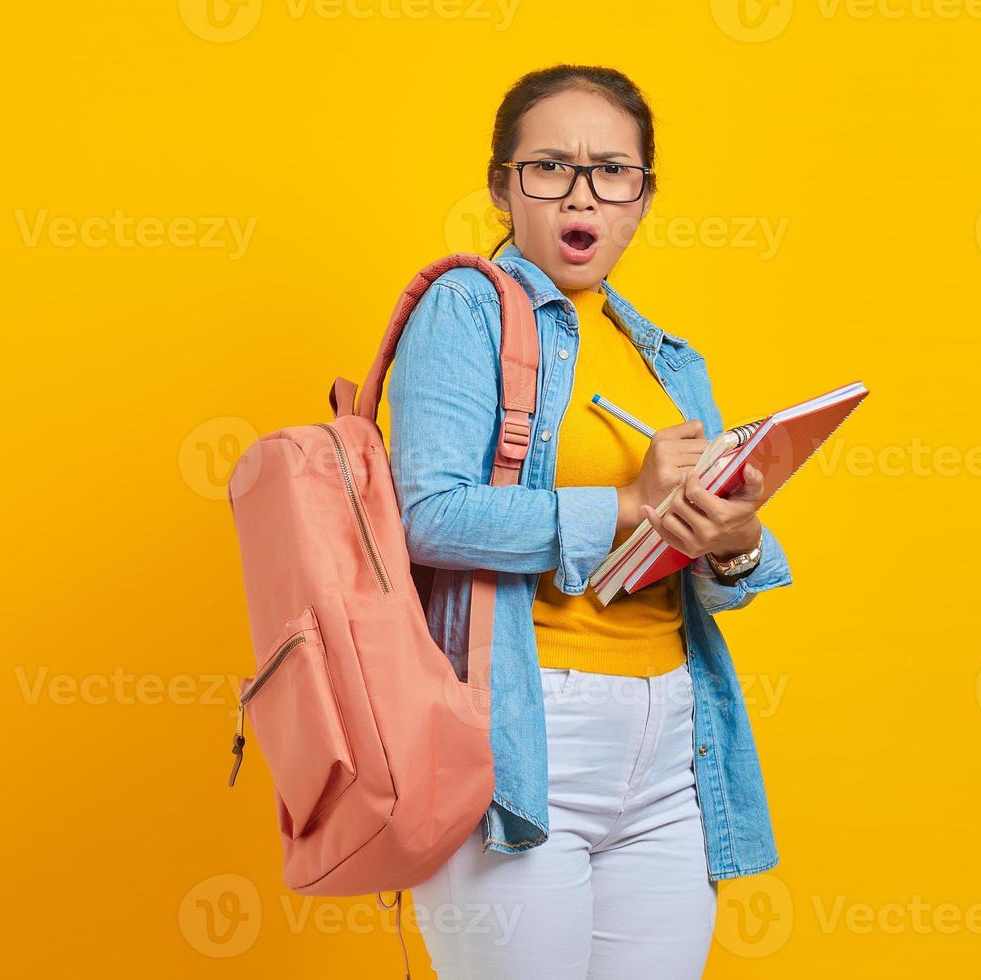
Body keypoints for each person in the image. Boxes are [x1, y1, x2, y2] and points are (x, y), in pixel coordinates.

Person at [388, 64, 794, 979]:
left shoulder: (666, 361)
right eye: (550, 168)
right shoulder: (465, 308)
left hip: (672, 747)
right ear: (502, 185)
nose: (582, 194)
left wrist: (734, 545)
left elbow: (691, 564)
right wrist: (626, 504)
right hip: (522, 737)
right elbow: (428, 515)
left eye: (612, 171)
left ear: (643, 197)